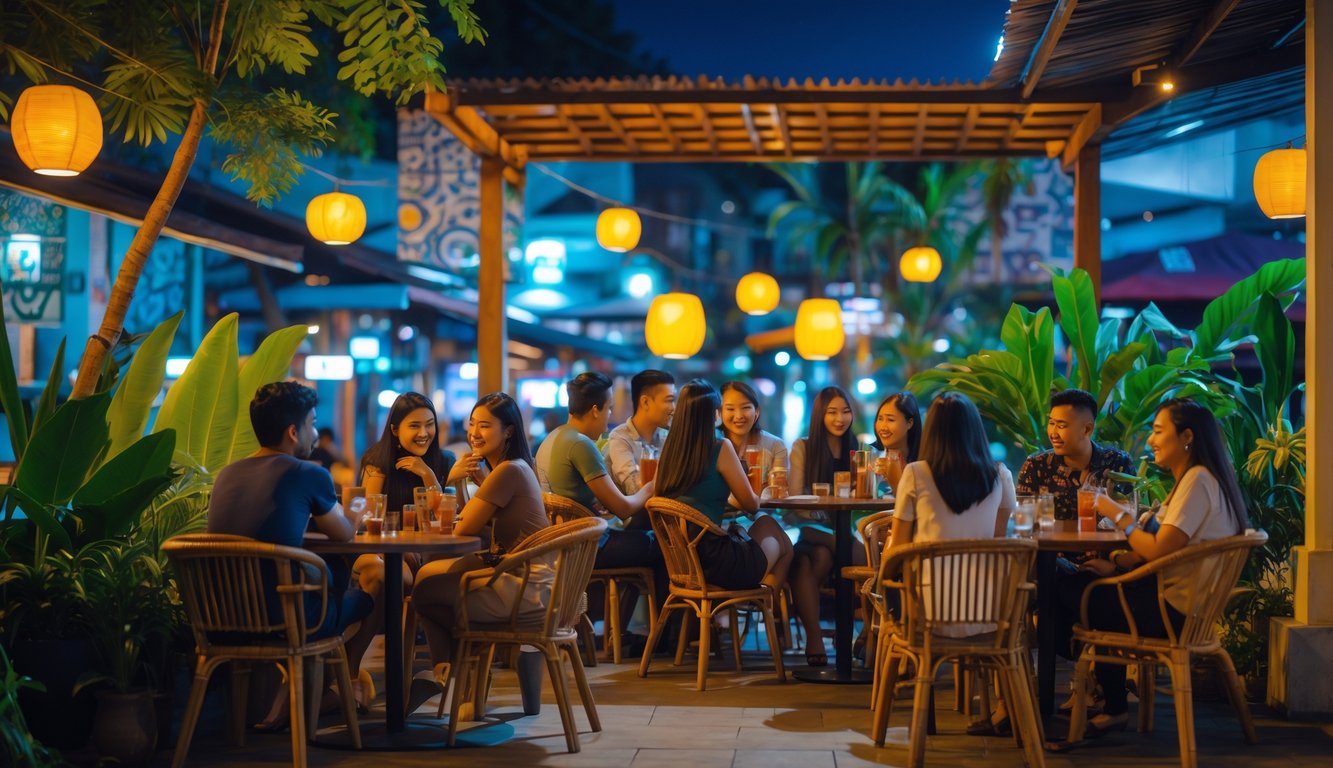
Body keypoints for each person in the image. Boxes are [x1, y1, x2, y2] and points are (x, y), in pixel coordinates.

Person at [1048, 398, 1250, 752]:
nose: (1152, 439)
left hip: (1169, 611)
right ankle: (1110, 705)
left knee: (1063, 589)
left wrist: (1117, 513)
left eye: (1158, 431)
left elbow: (1159, 550)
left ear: (1186, 436)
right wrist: (1115, 563)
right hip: (1178, 604)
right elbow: (1163, 549)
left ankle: (1093, 703)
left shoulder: (1198, 481)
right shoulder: (1200, 478)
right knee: (1085, 583)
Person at [207, 381, 376, 725]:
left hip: (220, 617)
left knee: (323, 580)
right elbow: (344, 534)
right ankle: (334, 693)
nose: (315, 433)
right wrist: (358, 510)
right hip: (288, 619)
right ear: (292, 431)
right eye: (312, 423)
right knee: (368, 596)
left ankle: (306, 698)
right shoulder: (307, 472)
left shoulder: (226, 475)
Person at [411, 393, 551, 672]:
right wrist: (464, 481)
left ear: (508, 430)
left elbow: (460, 527)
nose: (474, 433)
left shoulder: (508, 471)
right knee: (429, 576)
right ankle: (456, 667)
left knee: (425, 592)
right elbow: (469, 518)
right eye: (472, 423)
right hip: (530, 578)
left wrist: (440, 478)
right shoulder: (513, 467)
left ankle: (450, 668)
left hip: (526, 588)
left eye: (485, 426)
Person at [535, 371, 664, 649]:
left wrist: (592, 507)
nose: (608, 419)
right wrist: (651, 487)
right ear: (595, 410)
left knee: (642, 536)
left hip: (561, 542)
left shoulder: (553, 438)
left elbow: (572, 494)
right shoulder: (582, 445)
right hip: (586, 547)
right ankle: (665, 639)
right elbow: (624, 507)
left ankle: (618, 636)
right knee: (663, 545)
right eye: (608, 410)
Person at [655, 379, 794, 594]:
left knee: (769, 534)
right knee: (773, 530)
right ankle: (765, 603)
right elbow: (751, 505)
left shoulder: (669, 451)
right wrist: (759, 484)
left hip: (680, 561)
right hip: (716, 562)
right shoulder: (720, 447)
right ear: (713, 414)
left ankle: (761, 605)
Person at [787, 385, 858, 666]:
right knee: (841, 553)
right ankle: (826, 635)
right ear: (820, 415)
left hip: (841, 533)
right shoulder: (803, 447)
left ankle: (826, 638)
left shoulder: (858, 451)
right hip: (810, 529)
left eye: (845, 411)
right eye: (832, 412)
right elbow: (795, 500)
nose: (839, 419)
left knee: (815, 560)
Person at [1015, 388, 1134, 518]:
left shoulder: (1117, 463)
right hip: (1050, 538)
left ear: (1087, 429)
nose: (1053, 433)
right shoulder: (1036, 466)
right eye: (1051, 423)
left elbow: (1127, 517)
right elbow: (1023, 519)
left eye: (1061, 426)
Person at [603, 369, 676, 494]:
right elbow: (633, 489)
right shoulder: (621, 438)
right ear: (645, 402)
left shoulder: (667, 437)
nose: (673, 408)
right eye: (669, 400)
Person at [718, 380, 789, 489]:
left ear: (757, 411)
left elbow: (779, 491)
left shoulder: (775, 445)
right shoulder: (712, 445)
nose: (738, 416)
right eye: (730, 409)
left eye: (746, 407)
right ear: (719, 413)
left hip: (763, 506)